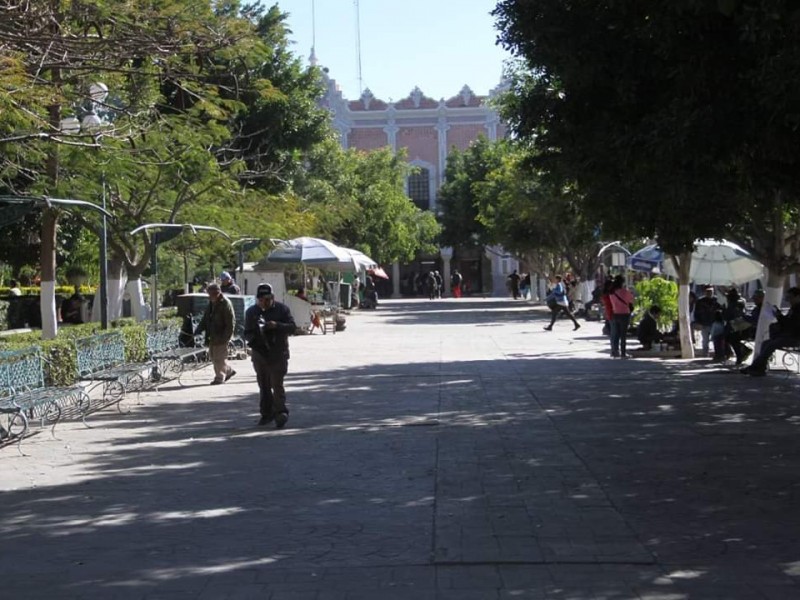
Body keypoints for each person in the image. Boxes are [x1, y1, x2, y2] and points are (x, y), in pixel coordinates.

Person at [243, 283, 296, 427]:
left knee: (276, 385)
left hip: (278, 354)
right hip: (260, 355)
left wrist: (276, 325)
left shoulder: (282, 309)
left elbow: (292, 327)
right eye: (261, 300)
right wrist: (258, 338)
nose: (264, 303)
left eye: (267, 299)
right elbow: (247, 334)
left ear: (272, 297)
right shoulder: (251, 312)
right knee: (264, 386)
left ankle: (281, 413)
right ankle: (266, 414)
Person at [741, 287, 800, 376]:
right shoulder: (794, 308)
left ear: (798, 297)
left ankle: (754, 367)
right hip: (788, 335)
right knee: (766, 343)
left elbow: (793, 325)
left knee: (772, 344)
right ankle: (760, 369)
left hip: (795, 337)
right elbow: (787, 323)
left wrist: (780, 316)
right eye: (788, 298)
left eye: (791, 298)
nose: (789, 301)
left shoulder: (798, 309)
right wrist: (779, 316)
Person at [194, 282, 236, 385]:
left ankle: (219, 377)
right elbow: (206, 318)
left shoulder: (225, 303)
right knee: (213, 356)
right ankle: (229, 371)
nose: (209, 296)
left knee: (219, 358)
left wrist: (226, 337)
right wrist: (199, 329)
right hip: (212, 335)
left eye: (211, 294)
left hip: (222, 335)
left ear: (217, 293)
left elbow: (230, 322)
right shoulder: (212, 303)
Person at [608, 275, 634, 358]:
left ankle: (615, 351)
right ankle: (623, 353)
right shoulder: (625, 291)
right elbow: (631, 300)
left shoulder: (611, 292)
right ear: (622, 282)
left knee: (616, 334)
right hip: (625, 314)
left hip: (615, 314)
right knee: (623, 335)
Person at [693, 286, 720, 357]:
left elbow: (721, 310)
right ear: (705, 292)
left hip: (714, 323)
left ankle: (717, 353)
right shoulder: (700, 301)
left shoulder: (717, 300)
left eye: (711, 291)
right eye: (707, 291)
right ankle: (705, 353)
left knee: (716, 339)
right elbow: (696, 313)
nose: (709, 293)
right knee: (705, 340)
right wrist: (697, 322)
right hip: (704, 323)